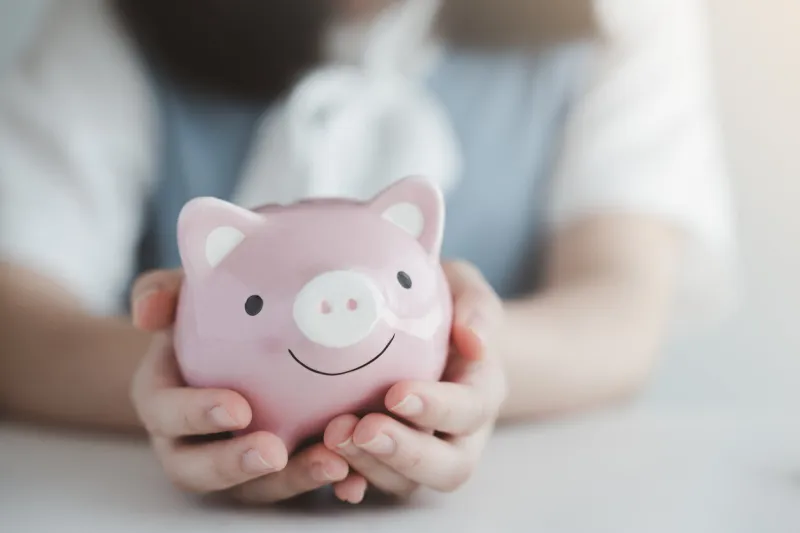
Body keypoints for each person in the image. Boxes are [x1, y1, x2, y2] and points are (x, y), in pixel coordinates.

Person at [0, 0, 735, 505]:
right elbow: (16, 321)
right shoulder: (110, 21)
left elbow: (622, 308)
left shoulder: (617, 17)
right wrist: (177, 376)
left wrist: (464, 356)